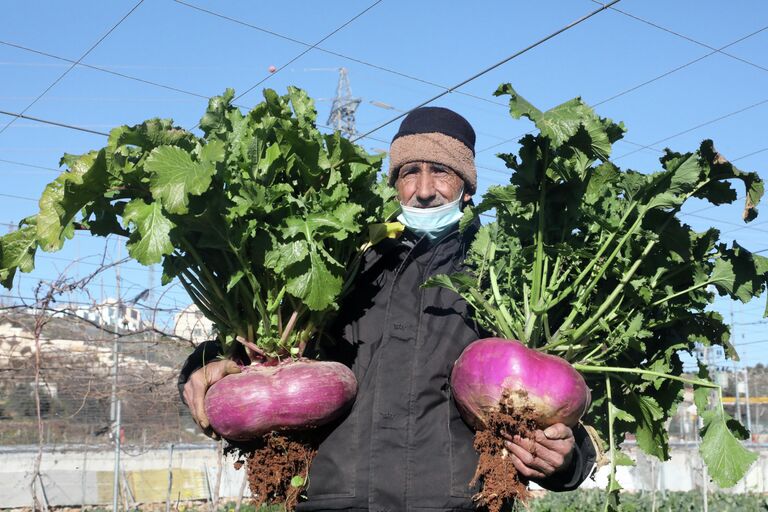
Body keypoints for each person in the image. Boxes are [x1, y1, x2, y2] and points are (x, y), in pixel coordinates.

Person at [179, 106, 597, 511]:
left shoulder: (506, 276)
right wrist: (205, 364)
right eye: (410, 172)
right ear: (394, 184)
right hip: (332, 502)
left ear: (468, 187)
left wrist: (567, 456)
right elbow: (260, 346)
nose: (426, 188)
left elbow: (568, 388)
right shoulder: (345, 259)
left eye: (443, 171)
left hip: (462, 504)